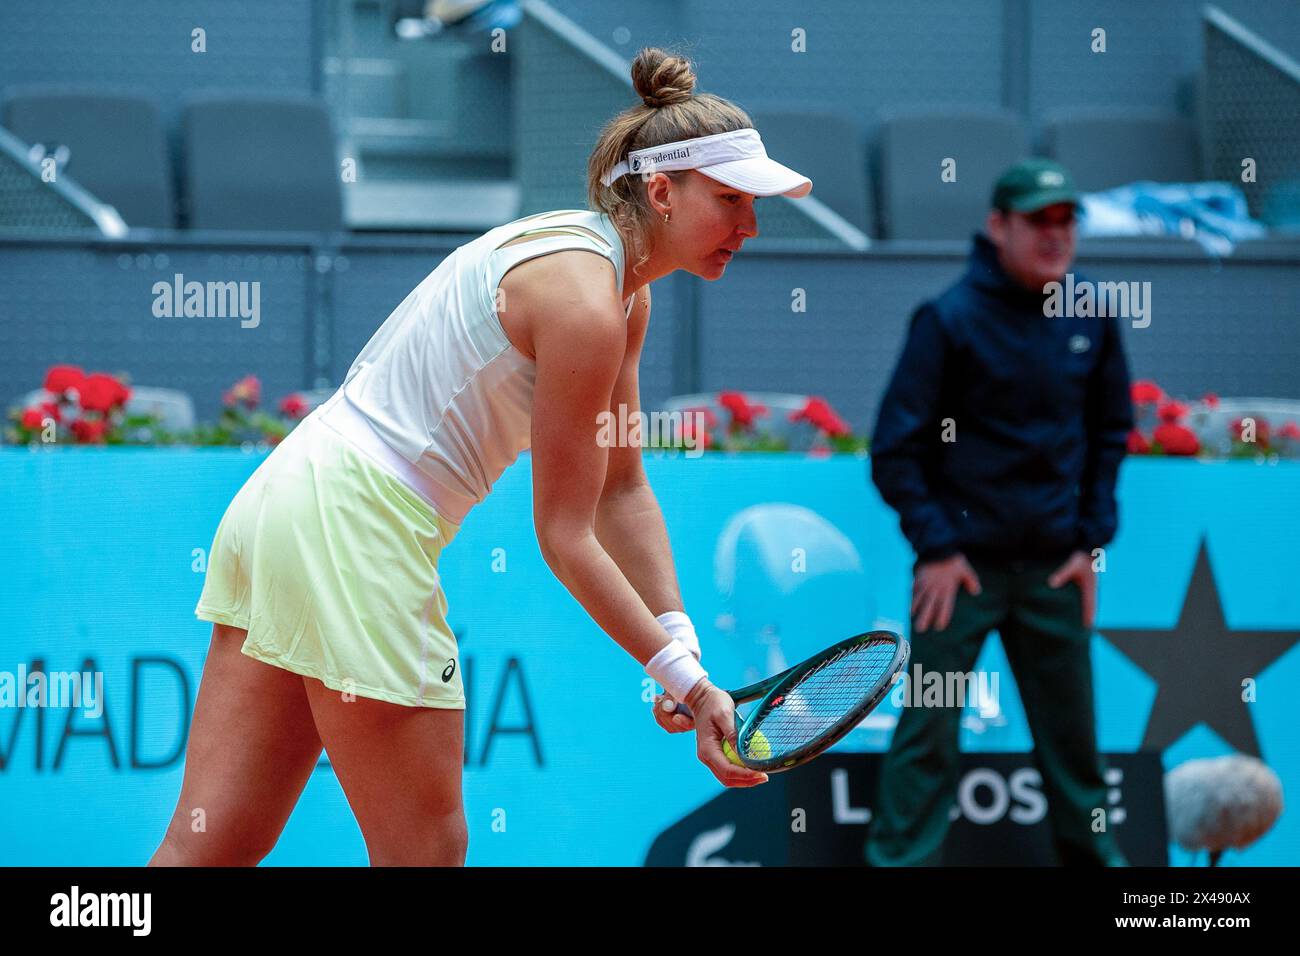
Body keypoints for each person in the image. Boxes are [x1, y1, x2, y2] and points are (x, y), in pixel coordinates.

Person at [149, 48, 813, 867]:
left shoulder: (616, 292)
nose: (748, 227)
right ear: (662, 191)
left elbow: (621, 487)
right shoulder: (586, 307)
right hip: (356, 526)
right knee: (425, 853)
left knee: (208, 849)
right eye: (732, 201)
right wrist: (685, 685)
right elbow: (565, 535)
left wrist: (681, 648)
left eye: (756, 205)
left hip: (287, 499)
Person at [865, 159, 1132, 866]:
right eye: (1038, 221)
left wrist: (1089, 542)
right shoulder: (947, 319)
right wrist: (939, 547)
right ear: (998, 227)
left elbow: (1110, 435)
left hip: (1053, 572)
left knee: (1074, 743)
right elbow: (895, 450)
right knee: (928, 735)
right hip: (963, 576)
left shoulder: (1093, 315)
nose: (1055, 235)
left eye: (1065, 220)